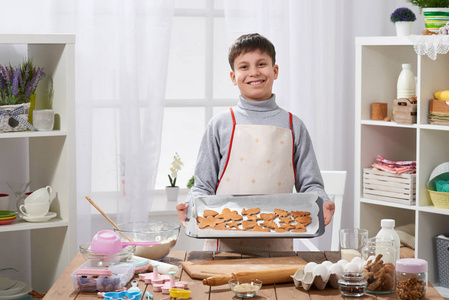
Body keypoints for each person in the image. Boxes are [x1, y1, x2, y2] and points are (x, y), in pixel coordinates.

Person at [176, 33, 334, 252]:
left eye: (261, 64)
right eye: (244, 67)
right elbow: (203, 185)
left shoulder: (293, 125)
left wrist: (323, 200)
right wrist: (191, 205)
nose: (254, 72)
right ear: (233, 76)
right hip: (223, 243)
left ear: (275, 70)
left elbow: (311, 185)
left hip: (278, 243)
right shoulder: (220, 124)